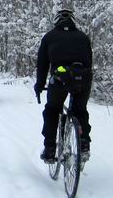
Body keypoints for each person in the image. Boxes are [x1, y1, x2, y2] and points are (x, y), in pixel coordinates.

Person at [34, 9, 93, 163]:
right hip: (83, 78)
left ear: (56, 21)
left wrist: (40, 85)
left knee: (52, 110)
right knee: (80, 110)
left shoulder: (49, 37)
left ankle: (49, 149)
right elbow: (89, 62)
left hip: (60, 79)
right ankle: (84, 143)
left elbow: (42, 64)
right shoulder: (83, 37)